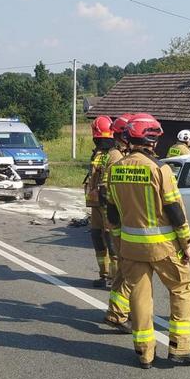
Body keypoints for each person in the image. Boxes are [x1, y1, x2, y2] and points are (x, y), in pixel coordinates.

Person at [106, 113, 190, 369]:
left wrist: (119, 244)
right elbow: (174, 209)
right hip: (164, 247)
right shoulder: (160, 169)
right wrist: (187, 245)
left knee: (139, 297)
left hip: (131, 247)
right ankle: (180, 349)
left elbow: (112, 213)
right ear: (153, 140)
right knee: (181, 290)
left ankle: (144, 352)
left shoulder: (115, 168)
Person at [103, 113, 133, 333]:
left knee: (125, 269)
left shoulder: (121, 154)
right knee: (125, 270)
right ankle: (118, 314)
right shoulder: (115, 156)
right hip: (121, 224)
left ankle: (118, 312)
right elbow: (107, 190)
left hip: (123, 223)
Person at [85, 116, 117, 288]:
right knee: (97, 236)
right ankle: (104, 274)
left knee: (110, 239)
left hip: (108, 204)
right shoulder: (98, 153)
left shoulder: (115, 155)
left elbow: (107, 184)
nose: (98, 140)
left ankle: (115, 277)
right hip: (96, 204)